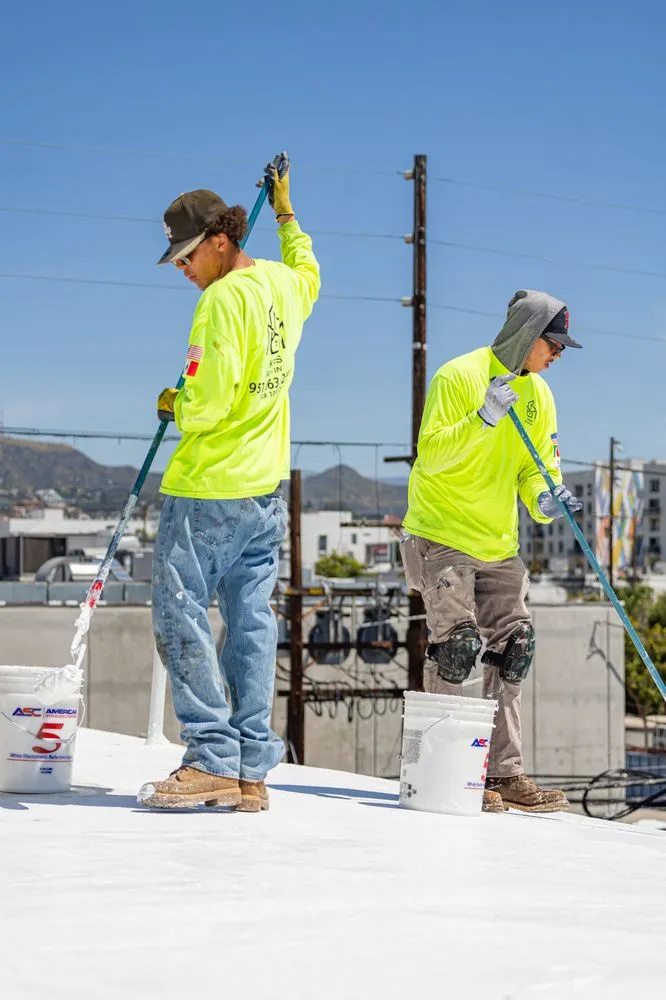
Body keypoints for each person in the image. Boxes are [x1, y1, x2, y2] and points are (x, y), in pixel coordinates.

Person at [138, 156, 320, 811]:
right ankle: (249, 769)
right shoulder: (281, 286)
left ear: (220, 241)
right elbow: (309, 272)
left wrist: (176, 404)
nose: (182, 269)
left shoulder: (219, 303)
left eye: (187, 255)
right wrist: (287, 213)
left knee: (178, 612)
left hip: (209, 488)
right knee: (250, 623)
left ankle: (210, 756)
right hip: (265, 491)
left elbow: (207, 404)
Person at [400, 290, 582, 813]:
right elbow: (431, 455)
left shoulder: (539, 395)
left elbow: (535, 468)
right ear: (526, 335)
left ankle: (503, 772)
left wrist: (545, 499)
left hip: (497, 542)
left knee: (515, 646)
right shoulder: (459, 376)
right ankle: (448, 774)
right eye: (553, 343)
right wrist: (482, 418)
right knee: (455, 649)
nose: (558, 354)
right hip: (442, 535)